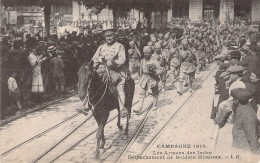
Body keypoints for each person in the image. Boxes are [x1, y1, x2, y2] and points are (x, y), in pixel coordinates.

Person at [91, 28, 128, 118]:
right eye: (107, 36)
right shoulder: (101, 47)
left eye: (110, 36)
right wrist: (92, 67)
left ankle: (122, 108)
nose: (108, 38)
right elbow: (95, 59)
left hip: (115, 71)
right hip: (102, 70)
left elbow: (123, 60)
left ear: (114, 36)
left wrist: (113, 62)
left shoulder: (119, 46)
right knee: (90, 84)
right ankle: (85, 105)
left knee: (120, 86)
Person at [133, 46, 163, 113]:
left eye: (147, 53)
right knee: (142, 93)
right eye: (145, 53)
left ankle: (155, 105)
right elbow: (141, 70)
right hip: (145, 78)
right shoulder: (142, 61)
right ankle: (139, 108)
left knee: (155, 92)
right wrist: (140, 78)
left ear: (150, 53)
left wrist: (154, 72)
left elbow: (161, 70)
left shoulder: (154, 61)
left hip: (153, 79)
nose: (146, 54)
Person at [231, 88, 260, 154]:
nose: (232, 100)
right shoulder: (241, 107)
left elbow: (252, 137)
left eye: (233, 98)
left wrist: (256, 155)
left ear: (237, 100)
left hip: (244, 149)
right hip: (238, 144)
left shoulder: (247, 115)